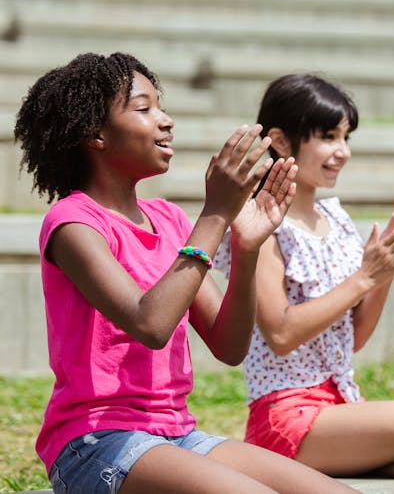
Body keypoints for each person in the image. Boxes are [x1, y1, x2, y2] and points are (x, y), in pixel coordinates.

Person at [15, 52, 357, 494]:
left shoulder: (170, 220)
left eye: (162, 106)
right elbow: (150, 324)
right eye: (144, 109)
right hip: (96, 442)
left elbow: (230, 346)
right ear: (95, 133)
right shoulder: (73, 223)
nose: (166, 120)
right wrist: (215, 214)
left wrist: (246, 247)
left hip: (177, 434)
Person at [214, 73, 394, 494]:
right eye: (329, 137)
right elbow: (280, 333)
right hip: (285, 416)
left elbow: (350, 341)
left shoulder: (336, 218)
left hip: (340, 407)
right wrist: (364, 277)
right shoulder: (260, 223)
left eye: (346, 137)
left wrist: (383, 274)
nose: (343, 152)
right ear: (279, 140)